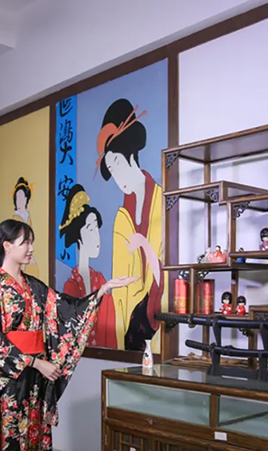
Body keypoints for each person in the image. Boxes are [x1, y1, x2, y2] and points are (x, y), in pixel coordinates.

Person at [0, 219, 136, 450]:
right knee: (13, 437)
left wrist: (102, 290)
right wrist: (35, 363)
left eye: (32, 242)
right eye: (25, 243)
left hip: (37, 377)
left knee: (35, 433)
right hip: (11, 377)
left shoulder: (34, 286)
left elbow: (67, 309)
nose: (31, 248)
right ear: (7, 246)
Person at [96, 98, 165, 351]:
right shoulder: (121, 218)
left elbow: (167, 268)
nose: (117, 177)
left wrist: (145, 245)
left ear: (131, 154)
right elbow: (119, 289)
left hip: (157, 317)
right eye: (111, 171)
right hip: (129, 327)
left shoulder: (161, 200)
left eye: (116, 164)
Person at [59, 184, 117, 348]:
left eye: (97, 228)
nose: (97, 236)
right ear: (78, 236)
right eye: (90, 229)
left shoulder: (101, 280)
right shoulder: (71, 286)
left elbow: (111, 335)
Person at [12, 177, 40, 278]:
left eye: (21, 198)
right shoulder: (16, 218)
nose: (19, 202)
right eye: (17, 199)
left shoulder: (27, 216)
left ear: (26, 199)